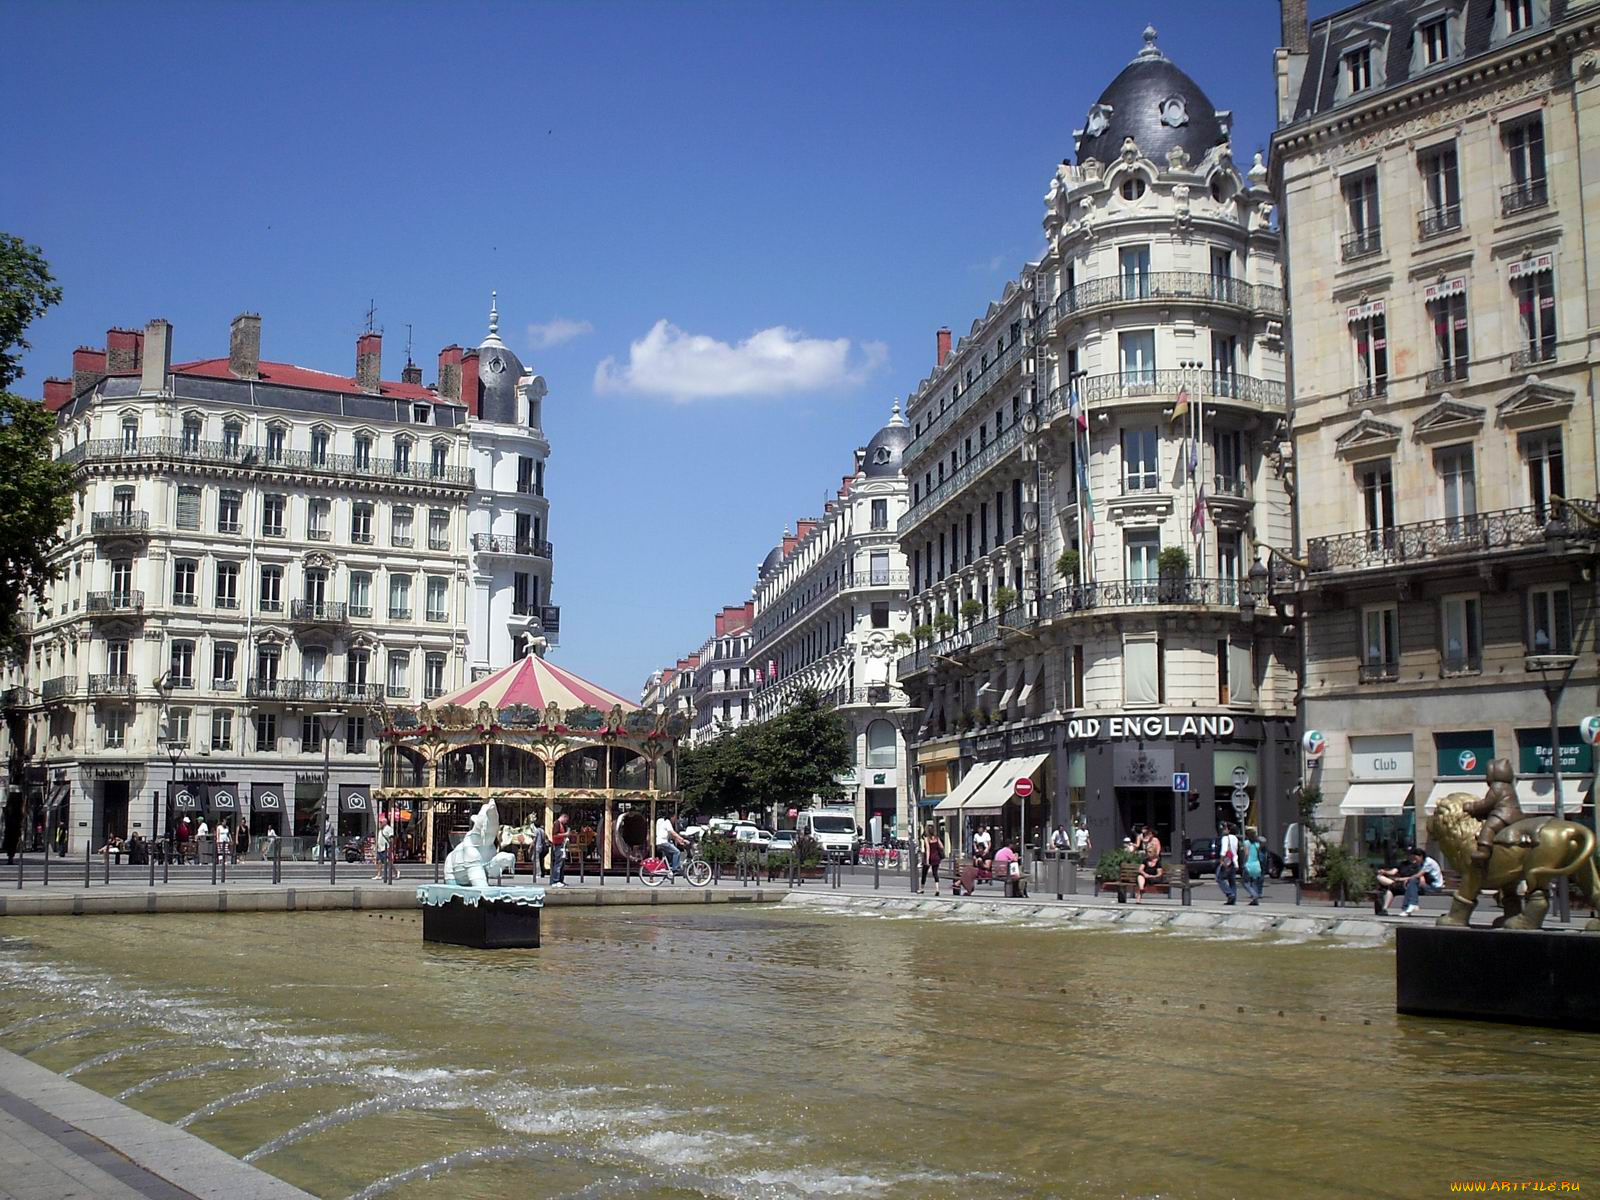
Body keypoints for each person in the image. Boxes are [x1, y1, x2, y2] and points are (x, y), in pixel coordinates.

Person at [654, 811, 689, 875]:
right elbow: (673, 833)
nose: (676, 819)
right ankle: (675, 869)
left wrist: (680, 842)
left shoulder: (666, 822)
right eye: (675, 817)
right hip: (663, 842)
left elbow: (672, 836)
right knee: (676, 852)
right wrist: (683, 839)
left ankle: (668, 868)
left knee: (670, 856)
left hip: (661, 842)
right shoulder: (667, 822)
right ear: (671, 817)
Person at [1239, 826, 1265, 906]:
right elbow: (1258, 853)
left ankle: (1254, 895)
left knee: (1245, 882)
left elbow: (1246, 854)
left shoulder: (1246, 843)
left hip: (1249, 864)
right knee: (1254, 882)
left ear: (1247, 835)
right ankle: (1255, 899)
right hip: (1256, 865)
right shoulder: (1257, 844)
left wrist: (1244, 862)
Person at [1216, 822, 1241, 905]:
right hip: (1234, 861)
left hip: (1227, 861)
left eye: (1225, 828)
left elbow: (1224, 849)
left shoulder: (1225, 838)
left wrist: (1221, 860)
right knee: (1232, 880)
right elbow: (1235, 851)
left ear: (1228, 830)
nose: (1223, 830)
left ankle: (1230, 894)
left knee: (1219, 878)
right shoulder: (1235, 839)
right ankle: (1233, 899)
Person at [919, 823, 943, 895]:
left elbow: (928, 850)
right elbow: (942, 846)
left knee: (924, 873)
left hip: (930, 858)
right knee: (935, 873)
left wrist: (927, 860)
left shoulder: (927, 839)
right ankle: (937, 889)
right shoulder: (936, 838)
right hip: (936, 858)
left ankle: (922, 889)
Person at [549, 814, 570, 887]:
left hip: (561, 845)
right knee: (558, 863)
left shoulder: (561, 824)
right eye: (566, 820)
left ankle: (560, 879)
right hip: (558, 846)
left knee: (561, 864)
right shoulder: (557, 824)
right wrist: (565, 834)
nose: (566, 822)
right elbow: (554, 835)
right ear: (563, 817)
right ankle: (556, 880)